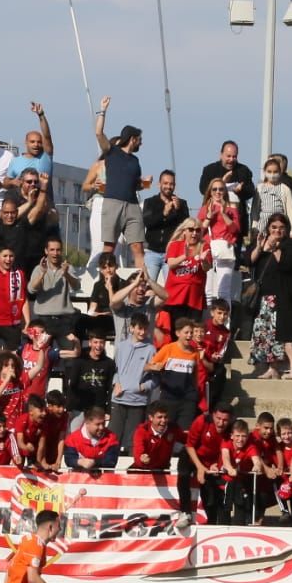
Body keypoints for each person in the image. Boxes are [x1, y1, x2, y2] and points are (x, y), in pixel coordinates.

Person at [248, 213, 292, 380]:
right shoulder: (262, 242)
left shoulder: (290, 245)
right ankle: (272, 368)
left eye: (281, 227)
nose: (277, 231)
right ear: (268, 228)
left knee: (285, 333)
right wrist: (259, 247)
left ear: (286, 229)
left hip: (284, 296)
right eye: (273, 227)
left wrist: (275, 249)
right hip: (265, 297)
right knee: (267, 335)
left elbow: (287, 265)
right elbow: (250, 261)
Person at [86, 126, 148, 272]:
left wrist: (143, 183)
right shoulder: (112, 152)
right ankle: (104, 280)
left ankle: (143, 281)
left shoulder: (135, 160)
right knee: (109, 246)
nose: (141, 143)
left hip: (132, 205)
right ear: (132, 139)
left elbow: (136, 184)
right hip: (113, 203)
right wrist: (102, 110)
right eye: (140, 139)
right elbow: (98, 133)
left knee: (138, 246)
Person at [109, 312, 157, 447]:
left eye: (145, 329)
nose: (142, 332)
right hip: (118, 399)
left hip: (138, 401)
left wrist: (143, 387)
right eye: (139, 328)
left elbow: (156, 378)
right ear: (132, 328)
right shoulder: (121, 346)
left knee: (133, 441)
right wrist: (116, 383)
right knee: (113, 438)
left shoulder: (151, 349)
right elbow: (116, 370)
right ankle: (108, 466)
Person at [197, 176, 243, 307]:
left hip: (225, 250)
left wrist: (223, 213)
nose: (218, 192)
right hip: (208, 250)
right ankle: (209, 323)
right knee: (208, 292)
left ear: (225, 191)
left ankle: (225, 324)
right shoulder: (205, 208)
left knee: (224, 292)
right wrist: (208, 216)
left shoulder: (231, 209)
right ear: (210, 192)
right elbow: (198, 231)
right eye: (214, 189)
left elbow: (235, 230)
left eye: (221, 189)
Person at [141, 170, 188, 281]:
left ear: (175, 186)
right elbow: (147, 222)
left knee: (170, 289)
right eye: (165, 183)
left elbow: (186, 226)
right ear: (159, 184)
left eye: (171, 184)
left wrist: (177, 210)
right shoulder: (150, 202)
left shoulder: (182, 203)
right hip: (152, 252)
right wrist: (164, 214)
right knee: (148, 287)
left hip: (171, 254)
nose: (168, 186)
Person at [198, 140, 254, 230]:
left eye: (234, 157)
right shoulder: (210, 170)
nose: (231, 160)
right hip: (213, 221)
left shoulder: (243, 170)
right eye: (228, 156)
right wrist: (222, 182)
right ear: (221, 155)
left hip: (236, 221)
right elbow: (203, 189)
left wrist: (240, 190)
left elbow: (251, 191)